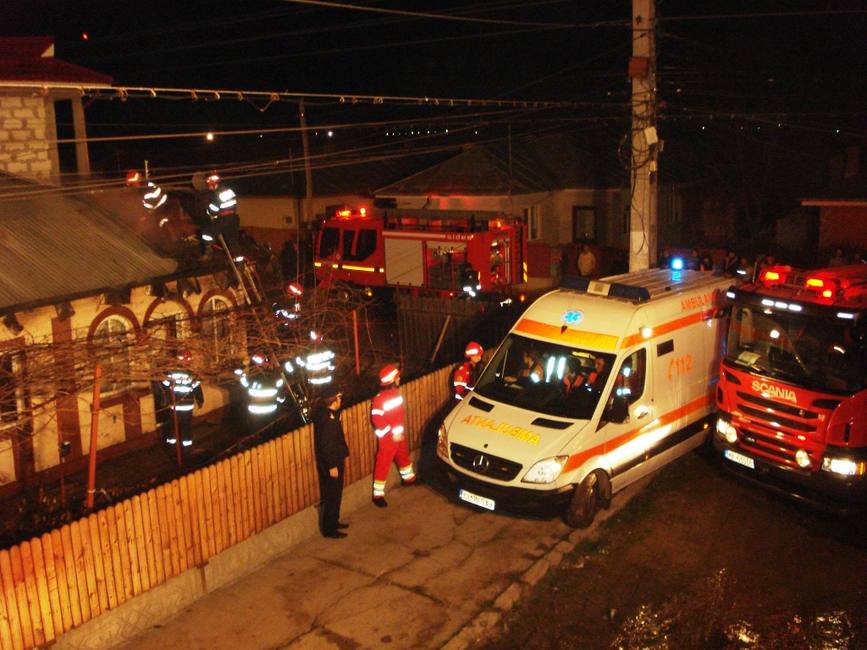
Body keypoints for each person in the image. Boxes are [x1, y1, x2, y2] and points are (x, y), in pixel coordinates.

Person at [371, 364, 416, 507]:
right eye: (397, 377)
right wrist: (390, 433)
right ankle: (377, 495)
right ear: (392, 380)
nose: (399, 379)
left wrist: (397, 433)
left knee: (403, 456)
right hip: (388, 438)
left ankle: (408, 478)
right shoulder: (379, 399)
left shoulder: (393, 394)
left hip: (397, 434)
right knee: (383, 463)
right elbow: (376, 418)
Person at [313, 387, 349, 539]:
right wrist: (332, 466)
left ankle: (334, 521)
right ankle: (329, 528)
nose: (341, 400)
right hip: (332, 463)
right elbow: (326, 445)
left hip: (335, 460)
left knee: (336, 493)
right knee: (332, 495)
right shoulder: (328, 420)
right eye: (338, 398)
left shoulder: (330, 415)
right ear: (333, 402)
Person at [158, 350, 204, 448]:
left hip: (175, 406)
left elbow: (164, 384)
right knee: (186, 427)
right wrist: (200, 400)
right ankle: (186, 448)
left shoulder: (172, 373)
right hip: (186, 407)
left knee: (173, 427)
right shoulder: (191, 374)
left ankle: (172, 446)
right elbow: (197, 388)